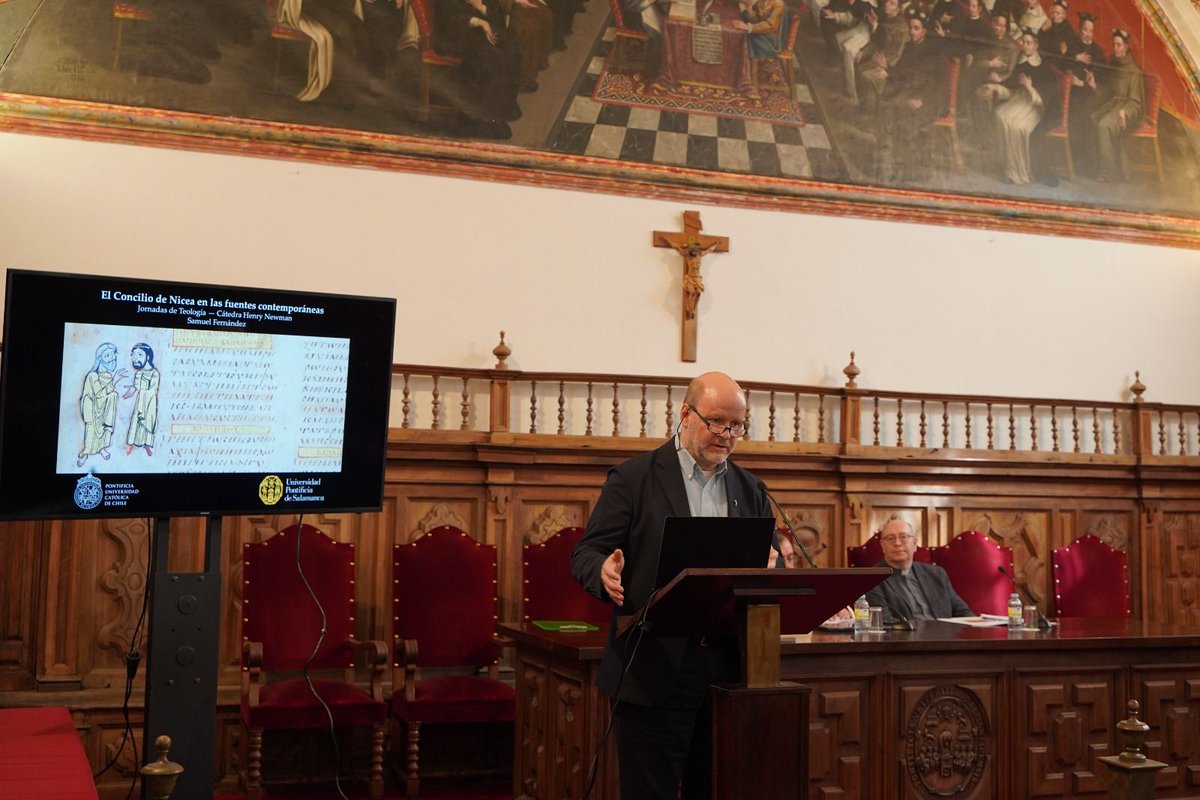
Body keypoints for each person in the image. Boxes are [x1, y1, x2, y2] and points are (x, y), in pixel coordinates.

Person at [570, 371, 774, 800]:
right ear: (685, 413)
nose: (727, 434)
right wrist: (604, 570)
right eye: (717, 421)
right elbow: (585, 553)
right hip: (652, 669)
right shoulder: (634, 479)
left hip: (725, 672)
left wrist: (775, 562)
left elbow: (765, 557)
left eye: (737, 425)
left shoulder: (749, 488)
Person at [980, 26, 1058, 184]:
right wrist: (996, 86)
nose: (1025, 45)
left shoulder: (1044, 66)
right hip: (1019, 100)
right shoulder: (1021, 61)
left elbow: (1047, 95)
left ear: (1036, 46)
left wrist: (1029, 87)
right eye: (1024, 42)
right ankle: (1008, 166)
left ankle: (1020, 173)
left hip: (1035, 107)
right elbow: (1011, 84)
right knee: (1001, 115)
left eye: (1029, 43)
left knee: (1018, 127)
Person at [865, 517, 973, 625]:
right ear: (883, 546)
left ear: (915, 543)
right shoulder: (873, 579)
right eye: (890, 538)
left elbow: (964, 613)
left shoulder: (937, 574)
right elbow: (884, 622)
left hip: (946, 638)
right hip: (905, 640)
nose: (897, 543)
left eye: (903, 537)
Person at [1088, 28, 1144, 182]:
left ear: (1126, 47)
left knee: (1104, 125)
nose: (1115, 48)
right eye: (1114, 45)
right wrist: (1094, 86)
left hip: (1127, 111)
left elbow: (1136, 102)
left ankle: (1109, 172)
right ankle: (1098, 165)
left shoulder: (1134, 72)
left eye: (1119, 45)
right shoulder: (1115, 65)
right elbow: (1109, 90)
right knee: (1093, 118)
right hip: (1114, 105)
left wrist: (1124, 112)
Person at [78, 343, 121, 468]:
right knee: (91, 430)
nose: (111, 358)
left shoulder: (107, 376)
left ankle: (101, 447)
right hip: (91, 409)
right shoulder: (92, 375)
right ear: (100, 358)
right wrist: (115, 381)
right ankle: (86, 453)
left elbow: (108, 394)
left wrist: (112, 389)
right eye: (107, 355)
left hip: (104, 408)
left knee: (105, 425)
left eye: (113, 355)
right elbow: (99, 393)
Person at [125, 343, 160, 456]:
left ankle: (147, 445)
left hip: (149, 403)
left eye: (140, 355)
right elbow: (136, 387)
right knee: (137, 422)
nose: (136, 358)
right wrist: (132, 391)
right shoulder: (139, 373)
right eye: (134, 355)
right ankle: (134, 444)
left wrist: (140, 390)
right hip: (140, 403)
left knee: (148, 423)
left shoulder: (155, 373)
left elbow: (153, 390)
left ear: (148, 357)